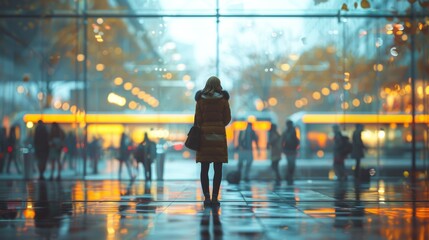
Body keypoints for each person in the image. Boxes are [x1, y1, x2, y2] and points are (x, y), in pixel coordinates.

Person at [195, 76, 231, 208]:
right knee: (218, 169)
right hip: (219, 137)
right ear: (219, 85)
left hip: (204, 137)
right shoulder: (223, 99)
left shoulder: (200, 100)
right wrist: (219, 125)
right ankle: (215, 197)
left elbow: (198, 120)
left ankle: (207, 197)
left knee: (204, 169)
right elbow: (227, 119)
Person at [281, 120, 300, 185]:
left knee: (291, 164)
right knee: (291, 164)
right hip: (290, 150)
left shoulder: (290, 132)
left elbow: (283, 141)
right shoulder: (288, 132)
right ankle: (289, 176)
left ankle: (289, 176)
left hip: (291, 150)